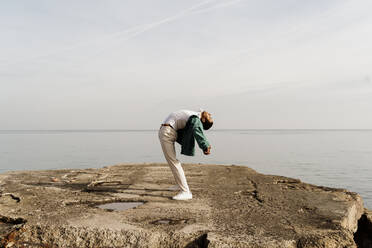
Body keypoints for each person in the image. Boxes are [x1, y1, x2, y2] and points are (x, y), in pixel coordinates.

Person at [158, 109, 213, 200]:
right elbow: (197, 130)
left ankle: (185, 191)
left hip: (167, 133)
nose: (210, 114)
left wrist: (205, 145)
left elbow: (197, 129)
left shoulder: (195, 117)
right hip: (168, 131)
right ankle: (180, 185)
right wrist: (205, 145)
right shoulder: (196, 116)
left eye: (210, 117)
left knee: (174, 162)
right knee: (173, 162)